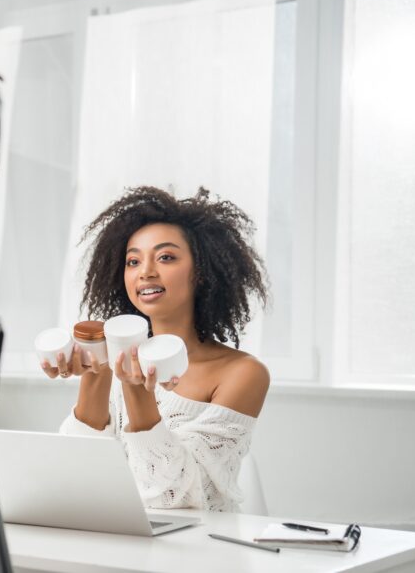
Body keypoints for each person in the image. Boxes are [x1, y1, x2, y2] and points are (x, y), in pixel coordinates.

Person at [40, 186, 270, 512]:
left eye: (165, 257)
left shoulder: (243, 374)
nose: (145, 271)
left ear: (202, 272)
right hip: (118, 547)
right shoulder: (118, 362)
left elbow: (171, 499)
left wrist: (137, 390)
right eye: (133, 260)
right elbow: (76, 473)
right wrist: (97, 371)